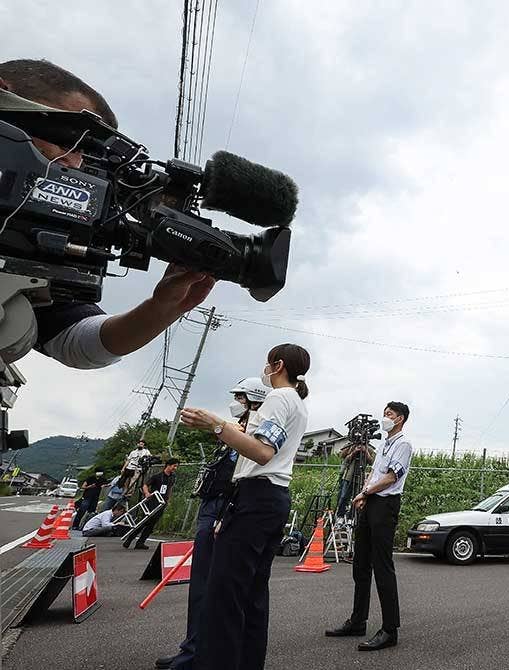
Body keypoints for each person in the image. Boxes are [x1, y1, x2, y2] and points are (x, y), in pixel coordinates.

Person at [0, 59, 215, 370]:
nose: (73, 164)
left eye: (85, 153)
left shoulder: (31, 233)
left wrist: (162, 308)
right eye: (67, 139)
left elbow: (76, 342)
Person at [179, 343, 310, 670]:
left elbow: (262, 452)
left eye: (267, 363)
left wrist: (216, 425)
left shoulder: (279, 398)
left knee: (223, 595)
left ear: (277, 365)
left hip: (256, 497)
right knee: (251, 594)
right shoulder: (297, 402)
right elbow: (267, 445)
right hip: (270, 499)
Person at [155, 377, 268, 670]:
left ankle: (197, 654)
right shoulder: (236, 430)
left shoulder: (254, 430)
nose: (236, 403)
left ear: (253, 400)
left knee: (213, 587)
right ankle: (192, 648)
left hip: (225, 508)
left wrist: (225, 514)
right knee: (203, 586)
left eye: (241, 398)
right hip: (213, 504)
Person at [326, 402, 413, 652]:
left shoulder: (403, 444)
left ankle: (390, 629)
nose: (385, 418)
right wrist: (365, 494)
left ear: (400, 419)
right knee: (361, 563)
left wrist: (366, 491)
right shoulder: (384, 444)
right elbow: (374, 474)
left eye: (389, 415)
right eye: (384, 413)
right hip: (371, 501)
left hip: (386, 506)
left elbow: (391, 477)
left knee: (382, 566)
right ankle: (357, 620)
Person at [125, 458, 179, 550]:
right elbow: (145, 485)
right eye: (174, 466)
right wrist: (147, 493)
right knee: (144, 521)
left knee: (152, 524)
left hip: (162, 503)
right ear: (168, 465)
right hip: (153, 501)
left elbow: (170, 489)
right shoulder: (157, 476)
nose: (175, 468)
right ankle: (129, 539)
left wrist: (168, 500)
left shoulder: (172, 477)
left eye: (176, 466)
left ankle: (141, 542)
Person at [336, 442, 375, 523]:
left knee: (356, 498)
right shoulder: (351, 446)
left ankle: (351, 517)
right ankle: (340, 515)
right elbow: (344, 458)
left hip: (360, 477)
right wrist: (354, 452)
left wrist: (365, 452)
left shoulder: (369, 449)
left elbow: (372, 462)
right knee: (343, 497)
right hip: (348, 477)